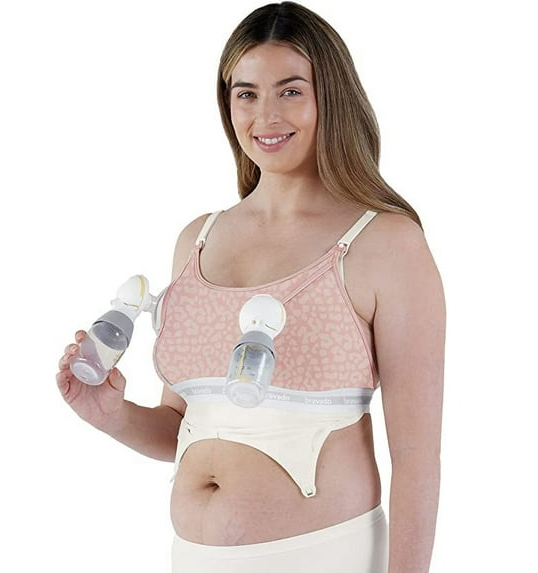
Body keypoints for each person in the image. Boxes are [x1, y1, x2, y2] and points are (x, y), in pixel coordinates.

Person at [57, 2, 445, 572]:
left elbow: (415, 460)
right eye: (247, 93)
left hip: (323, 555)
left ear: (331, 98)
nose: (266, 115)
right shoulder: (198, 239)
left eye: (290, 91)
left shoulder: (385, 243)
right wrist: (110, 415)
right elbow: (182, 426)